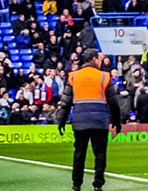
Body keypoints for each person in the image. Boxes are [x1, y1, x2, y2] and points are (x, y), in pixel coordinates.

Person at [54, 49, 122, 191]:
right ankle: (98, 185)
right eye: (100, 59)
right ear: (94, 59)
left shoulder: (73, 76)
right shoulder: (104, 76)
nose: (101, 62)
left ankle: (76, 184)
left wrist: (61, 121)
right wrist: (117, 121)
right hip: (100, 121)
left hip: (80, 121)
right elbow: (114, 102)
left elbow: (65, 102)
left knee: (79, 154)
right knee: (100, 154)